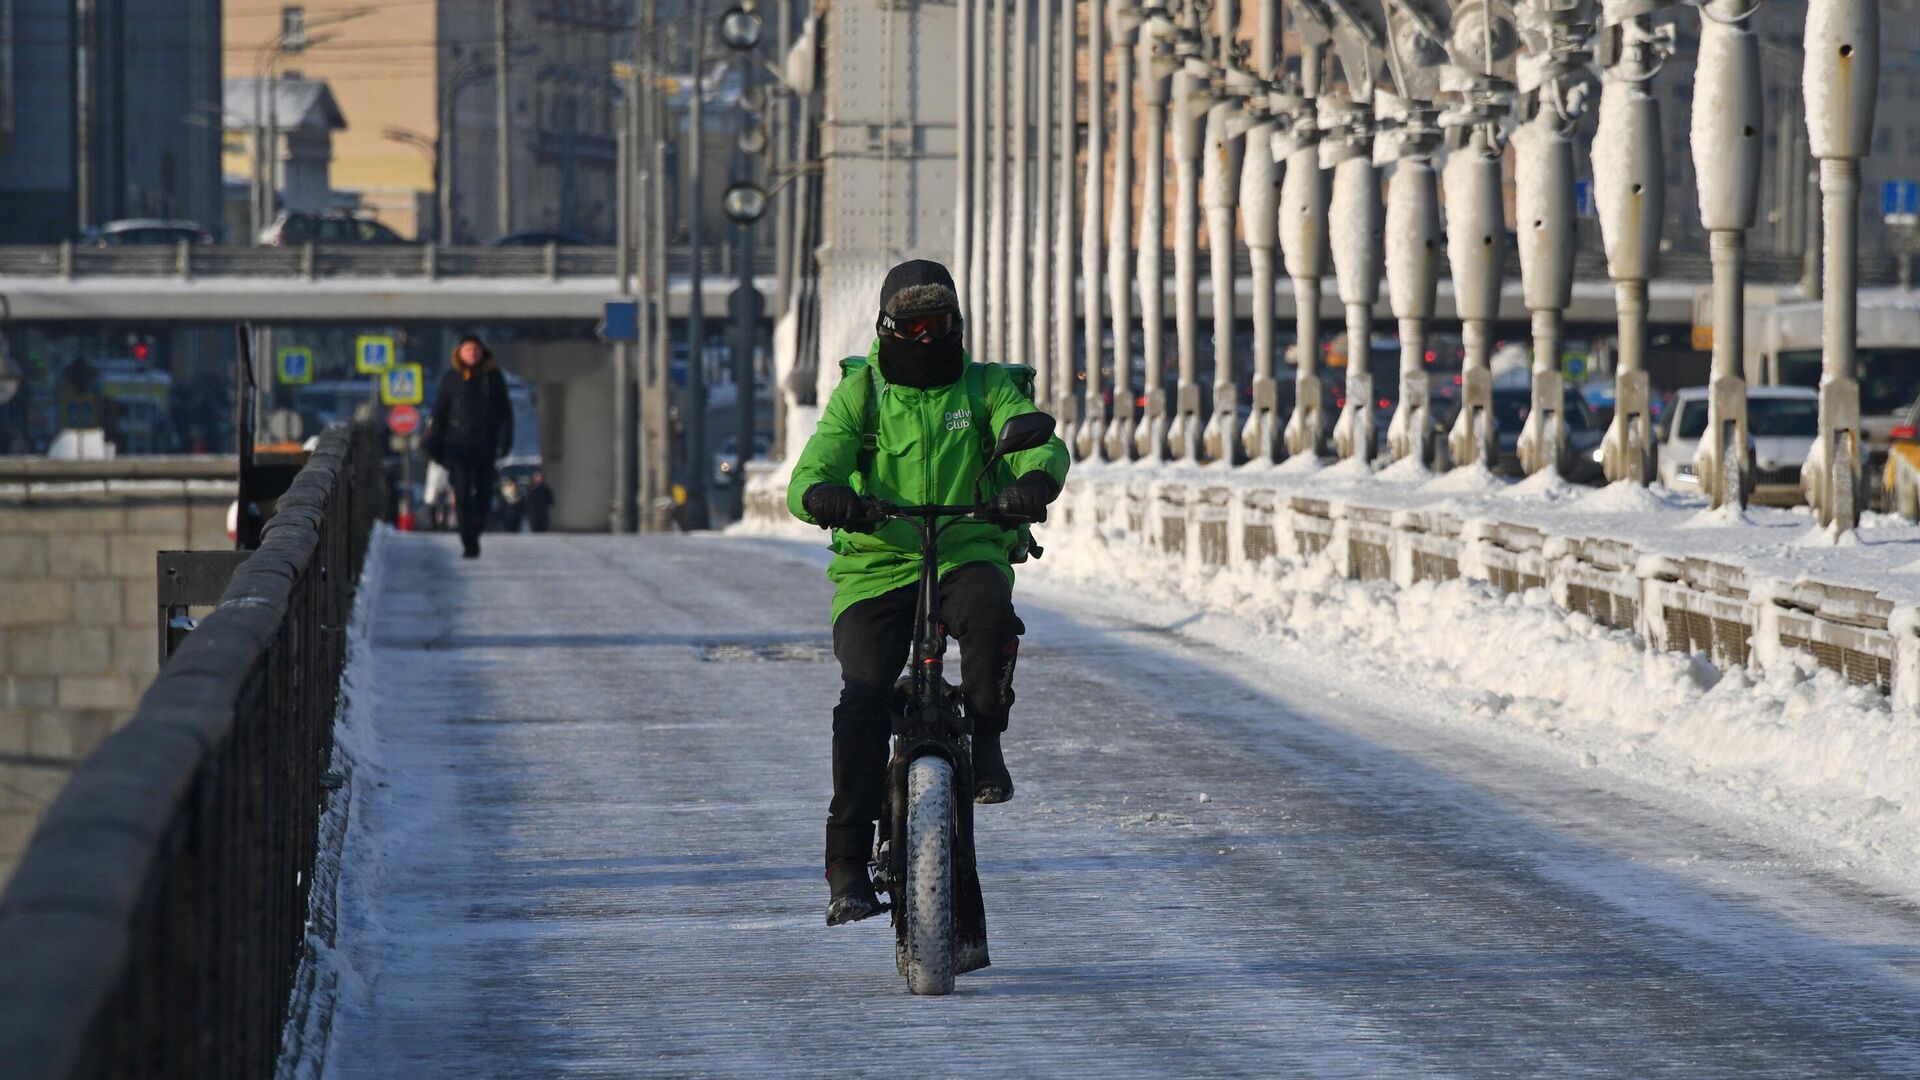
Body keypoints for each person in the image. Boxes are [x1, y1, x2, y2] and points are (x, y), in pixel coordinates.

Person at [787, 259, 1069, 925]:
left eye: (936, 326)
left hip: (966, 545)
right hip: (877, 561)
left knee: (990, 614)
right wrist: (828, 497)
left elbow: (1037, 441)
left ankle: (987, 733)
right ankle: (848, 864)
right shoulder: (862, 394)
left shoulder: (987, 387)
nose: (923, 341)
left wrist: (1031, 483)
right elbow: (815, 466)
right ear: (885, 328)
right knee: (860, 702)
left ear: (958, 327)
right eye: (909, 327)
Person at [424, 336, 514, 558]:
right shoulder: (451, 379)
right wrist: (434, 444)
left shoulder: (493, 378)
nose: (472, 354)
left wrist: (505, 440)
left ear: (483, 352)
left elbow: (505, 413)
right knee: (462, 494)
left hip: (485, 447)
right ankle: (468, 541)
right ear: (459, 353)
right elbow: (440, 414)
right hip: (457, 447)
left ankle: (477, 527)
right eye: (467, 350)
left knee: (484, 495)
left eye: (475, 349)